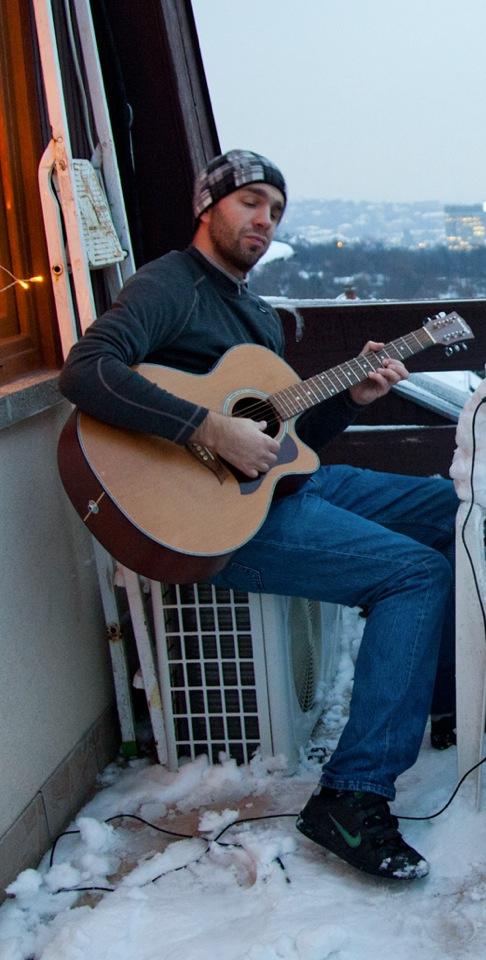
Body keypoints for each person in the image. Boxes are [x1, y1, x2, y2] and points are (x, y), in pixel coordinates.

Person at [59, 150, 456, 881]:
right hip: (210, 521)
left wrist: (350, 397)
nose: (264, 220)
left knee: (450, 506)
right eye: (250, 202)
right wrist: (206, 430)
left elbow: (284, 448)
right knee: (414, 575)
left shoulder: (257, 315)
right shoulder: (170, 284)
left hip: (284, 490)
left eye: (275, 209)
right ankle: (351, 795)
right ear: (207, 206)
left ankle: (447, 698)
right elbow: (87, 370)